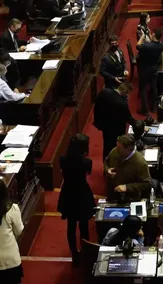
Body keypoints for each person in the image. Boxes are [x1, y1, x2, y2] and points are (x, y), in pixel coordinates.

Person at [57, 134, 94, 265]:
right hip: (82, 193)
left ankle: (74, 254)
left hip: (68, 193)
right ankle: (86, 251)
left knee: (71, 226)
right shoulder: (87, 162)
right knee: (84, 225)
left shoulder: (63, 159)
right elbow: (88, 172)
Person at [105, 134, 152, 200]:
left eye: (119, 147)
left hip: (130, 198)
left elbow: (146, 184)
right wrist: (107, 170)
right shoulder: (115, 151)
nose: (116, 149)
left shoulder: (140, 163)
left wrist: (127, 187)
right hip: (112, 194)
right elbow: (106, 162)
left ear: (128, 149)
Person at [95, 82, 133, 156]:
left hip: (104, 126)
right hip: (116, 130)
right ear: (125, 91)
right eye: (127, 94)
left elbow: (97, 106)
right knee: (115, 148)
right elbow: (128, 117)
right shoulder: (121, 103)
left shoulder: (104, 92)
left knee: (106, 146)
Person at [137, 30, 163, 114]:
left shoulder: (146, 46)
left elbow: (137, 45)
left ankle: (144, 109)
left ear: (154, 35)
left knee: (143, 88)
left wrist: (142, 37)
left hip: (145, 69)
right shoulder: (161, 46)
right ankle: (153, 107)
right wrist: (151, 35)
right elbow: (154, 43)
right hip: (154, 68)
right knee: (154, 87)